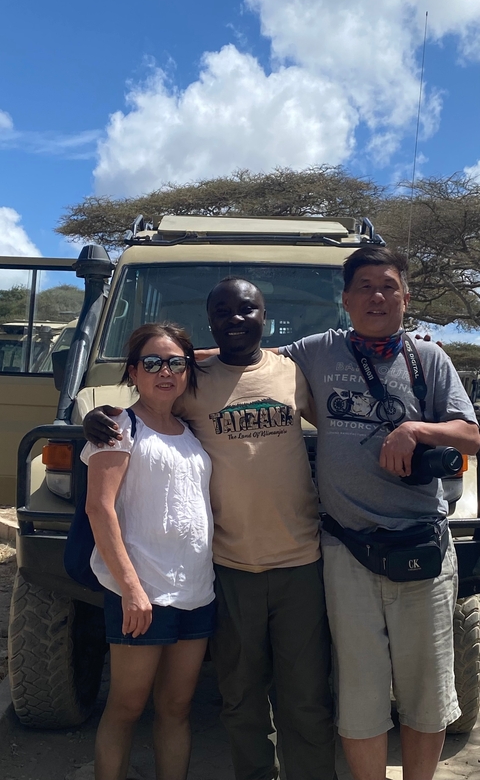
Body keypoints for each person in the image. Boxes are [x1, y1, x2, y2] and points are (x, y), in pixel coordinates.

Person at [84, 277, 336, 780]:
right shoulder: (192, 379)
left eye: (247, 310)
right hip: (229, 566)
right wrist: (98, 413)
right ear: (211, 320)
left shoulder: (293, 370)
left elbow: (343, 417)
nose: (235, 319)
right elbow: (153, 388)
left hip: (292, 560)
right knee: (238, 697)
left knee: (304, 696)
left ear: (264, 315)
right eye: (223, 311)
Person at [278, 246, 480, 780]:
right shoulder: (314, 351)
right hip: (346, 549)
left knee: (427, 694)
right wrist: (174, 360)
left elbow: (472, 435)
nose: (377, 296)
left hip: (420, 548)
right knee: (360, 694)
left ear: (406, 297)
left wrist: (416, 428)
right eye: (364, 286)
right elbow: (247, 361)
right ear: (345, 299)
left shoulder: (428, 359)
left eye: (388, 285)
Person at [81, 322, 215, 780]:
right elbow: (99, 509)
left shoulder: (192, 430)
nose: (166, 371)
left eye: (176, 363)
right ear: (133, 372)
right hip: (141, 593)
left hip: (196, 592)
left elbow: (229, 353)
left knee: (176, 708)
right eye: (153, 363)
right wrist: (132, 590)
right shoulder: (118, 424)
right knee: (125, 706)